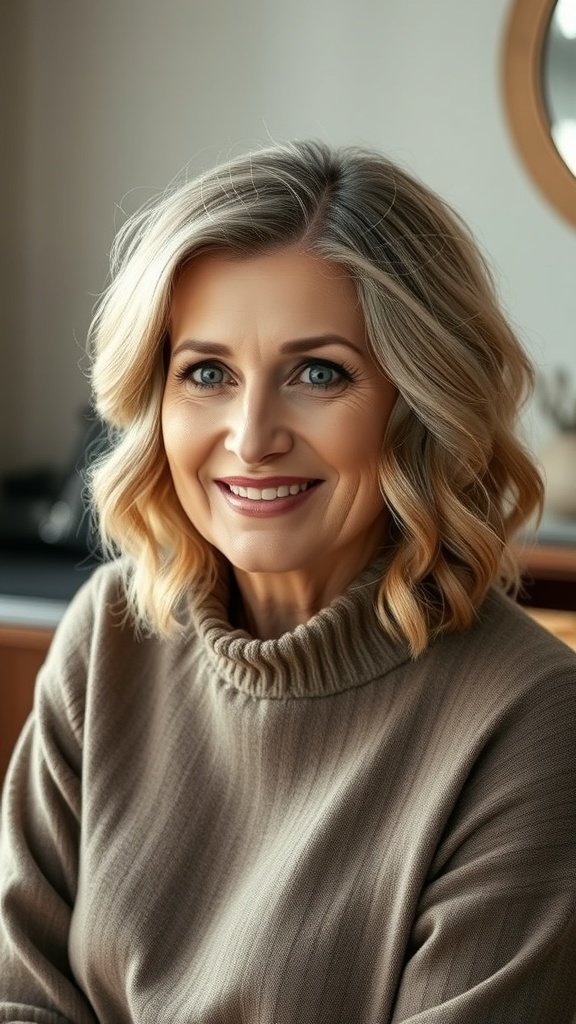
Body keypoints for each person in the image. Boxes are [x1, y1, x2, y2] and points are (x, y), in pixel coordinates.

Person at [1, 139, 575, 1023]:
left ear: (418, 402)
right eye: (207, 373)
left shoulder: (533, 721)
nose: (252, 434)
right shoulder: (105, 637)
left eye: (319, 373)